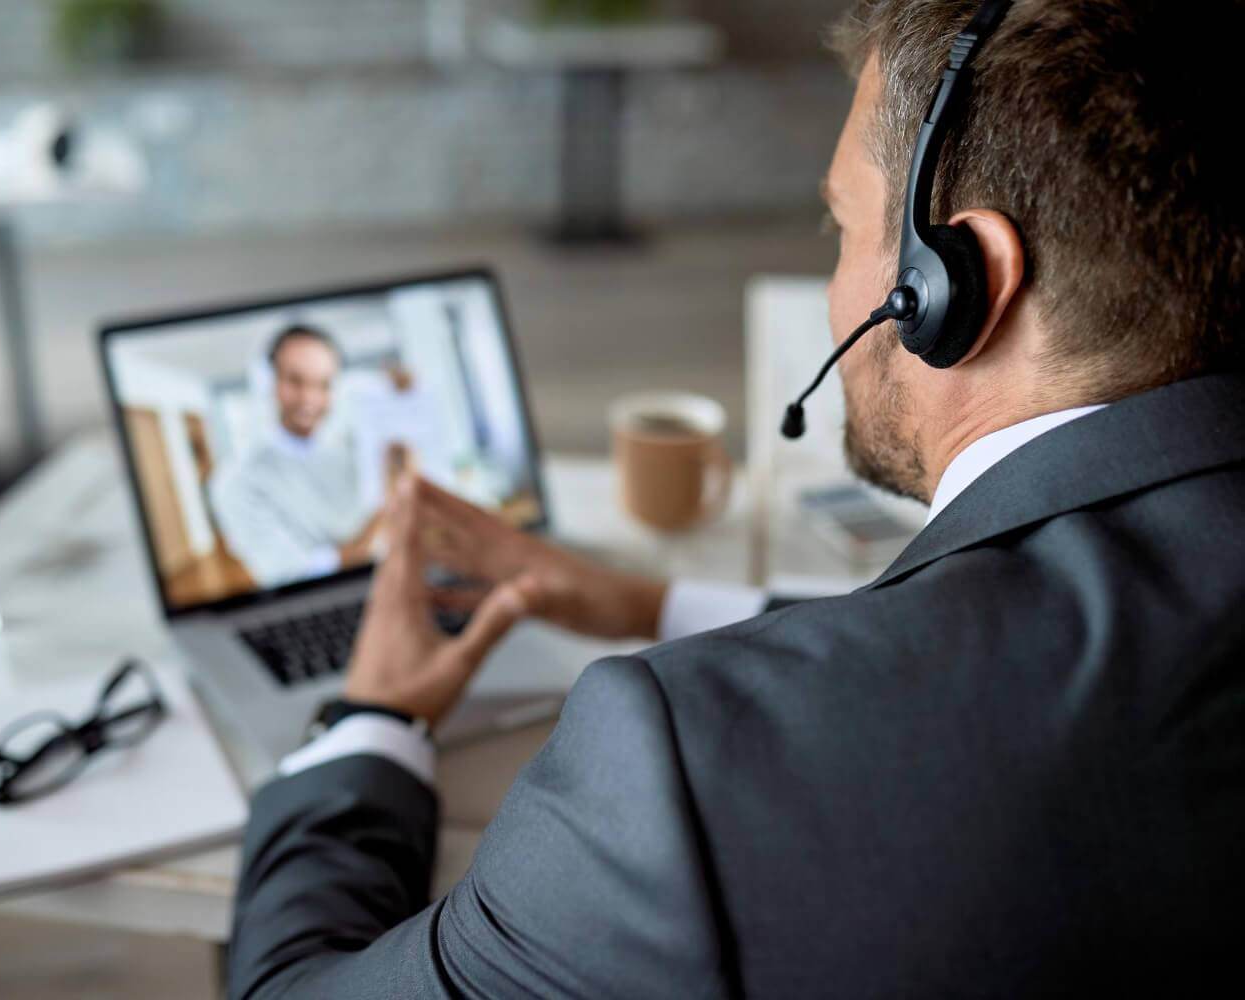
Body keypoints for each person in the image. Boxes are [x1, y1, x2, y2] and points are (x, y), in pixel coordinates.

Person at [227, 1, 1245, 996]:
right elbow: (1003, 652)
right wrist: (648, 607)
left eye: (843, 224)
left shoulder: (677, 771)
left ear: (956, 286)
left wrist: (375, 716)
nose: (834, 285)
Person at [209, 324, 384, 589]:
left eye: (323, 384)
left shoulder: (352, 451)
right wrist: (381, 522)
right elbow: (294, 575)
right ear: (267, 382)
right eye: (295, 381)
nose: (310, 398)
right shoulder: (236, 480)